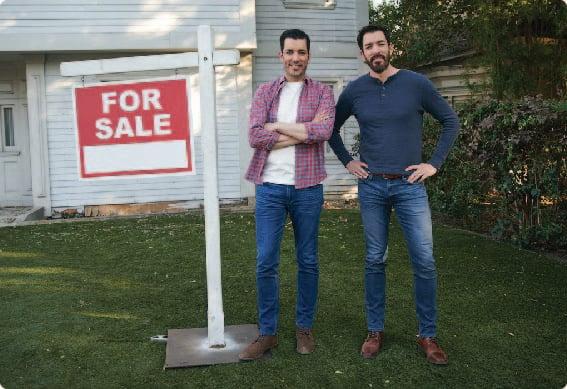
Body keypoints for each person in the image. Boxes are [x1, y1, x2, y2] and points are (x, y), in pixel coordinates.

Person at [328, 25, 460, 365]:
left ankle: (427, 334)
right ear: (362, 54)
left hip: (410, 185)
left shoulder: (417, 84)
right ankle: (375, 330)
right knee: (375, 259)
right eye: (369, 46)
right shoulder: (355, 91)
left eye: (380, 44)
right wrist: (347, 160)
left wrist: (434, 163)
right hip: (371, 186)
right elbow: (331, 130)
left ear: (391, 47)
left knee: (425, 261)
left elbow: (450, 121)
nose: (376, 50)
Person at [238, 29, 335, 361]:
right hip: (270, 187)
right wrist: (304, 132)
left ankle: (304, 328)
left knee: (307, 261)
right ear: (281, 55)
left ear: (309, 55)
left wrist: (276, 126)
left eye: (302, 52)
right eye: (290, 52)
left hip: (308, 188)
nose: (296, 58)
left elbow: (324, 131)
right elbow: (253, 136)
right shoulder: (266, 90)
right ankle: (268, 333)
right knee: (266, 261)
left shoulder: (322, 92)